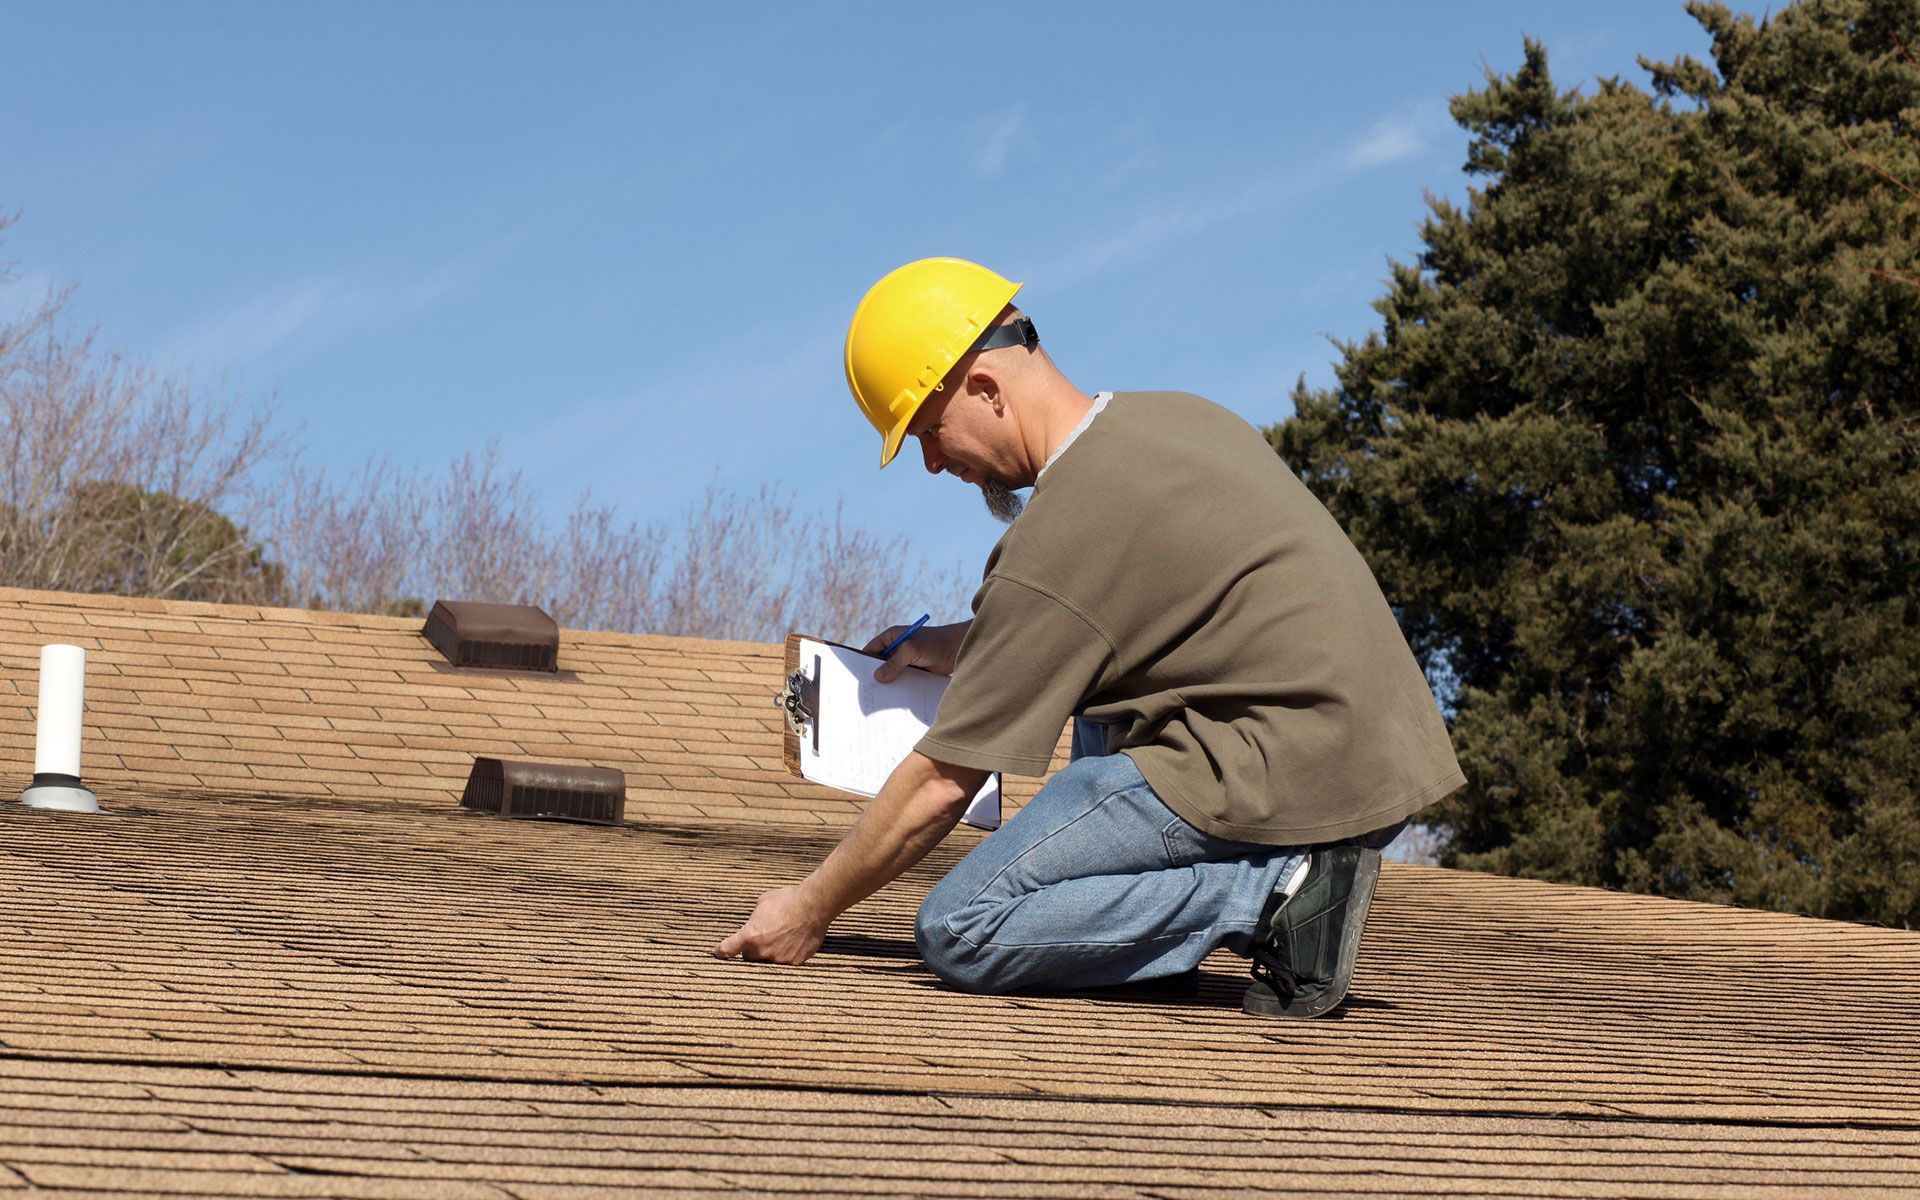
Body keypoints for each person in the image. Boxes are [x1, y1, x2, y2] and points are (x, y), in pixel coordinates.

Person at [715, 257, 1464, 1017]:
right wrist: (957, 642)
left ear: (985, 388)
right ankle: (1151, 948)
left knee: (960, 927)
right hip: (1367, 750)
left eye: (928, 432)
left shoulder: (1060, 534)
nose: (936, 464)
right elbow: (1106, 613)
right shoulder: (1173, 420)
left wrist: (810, 906)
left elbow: (943, 782)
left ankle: (1276, 895)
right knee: (1098, 697)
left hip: (1288, 770)